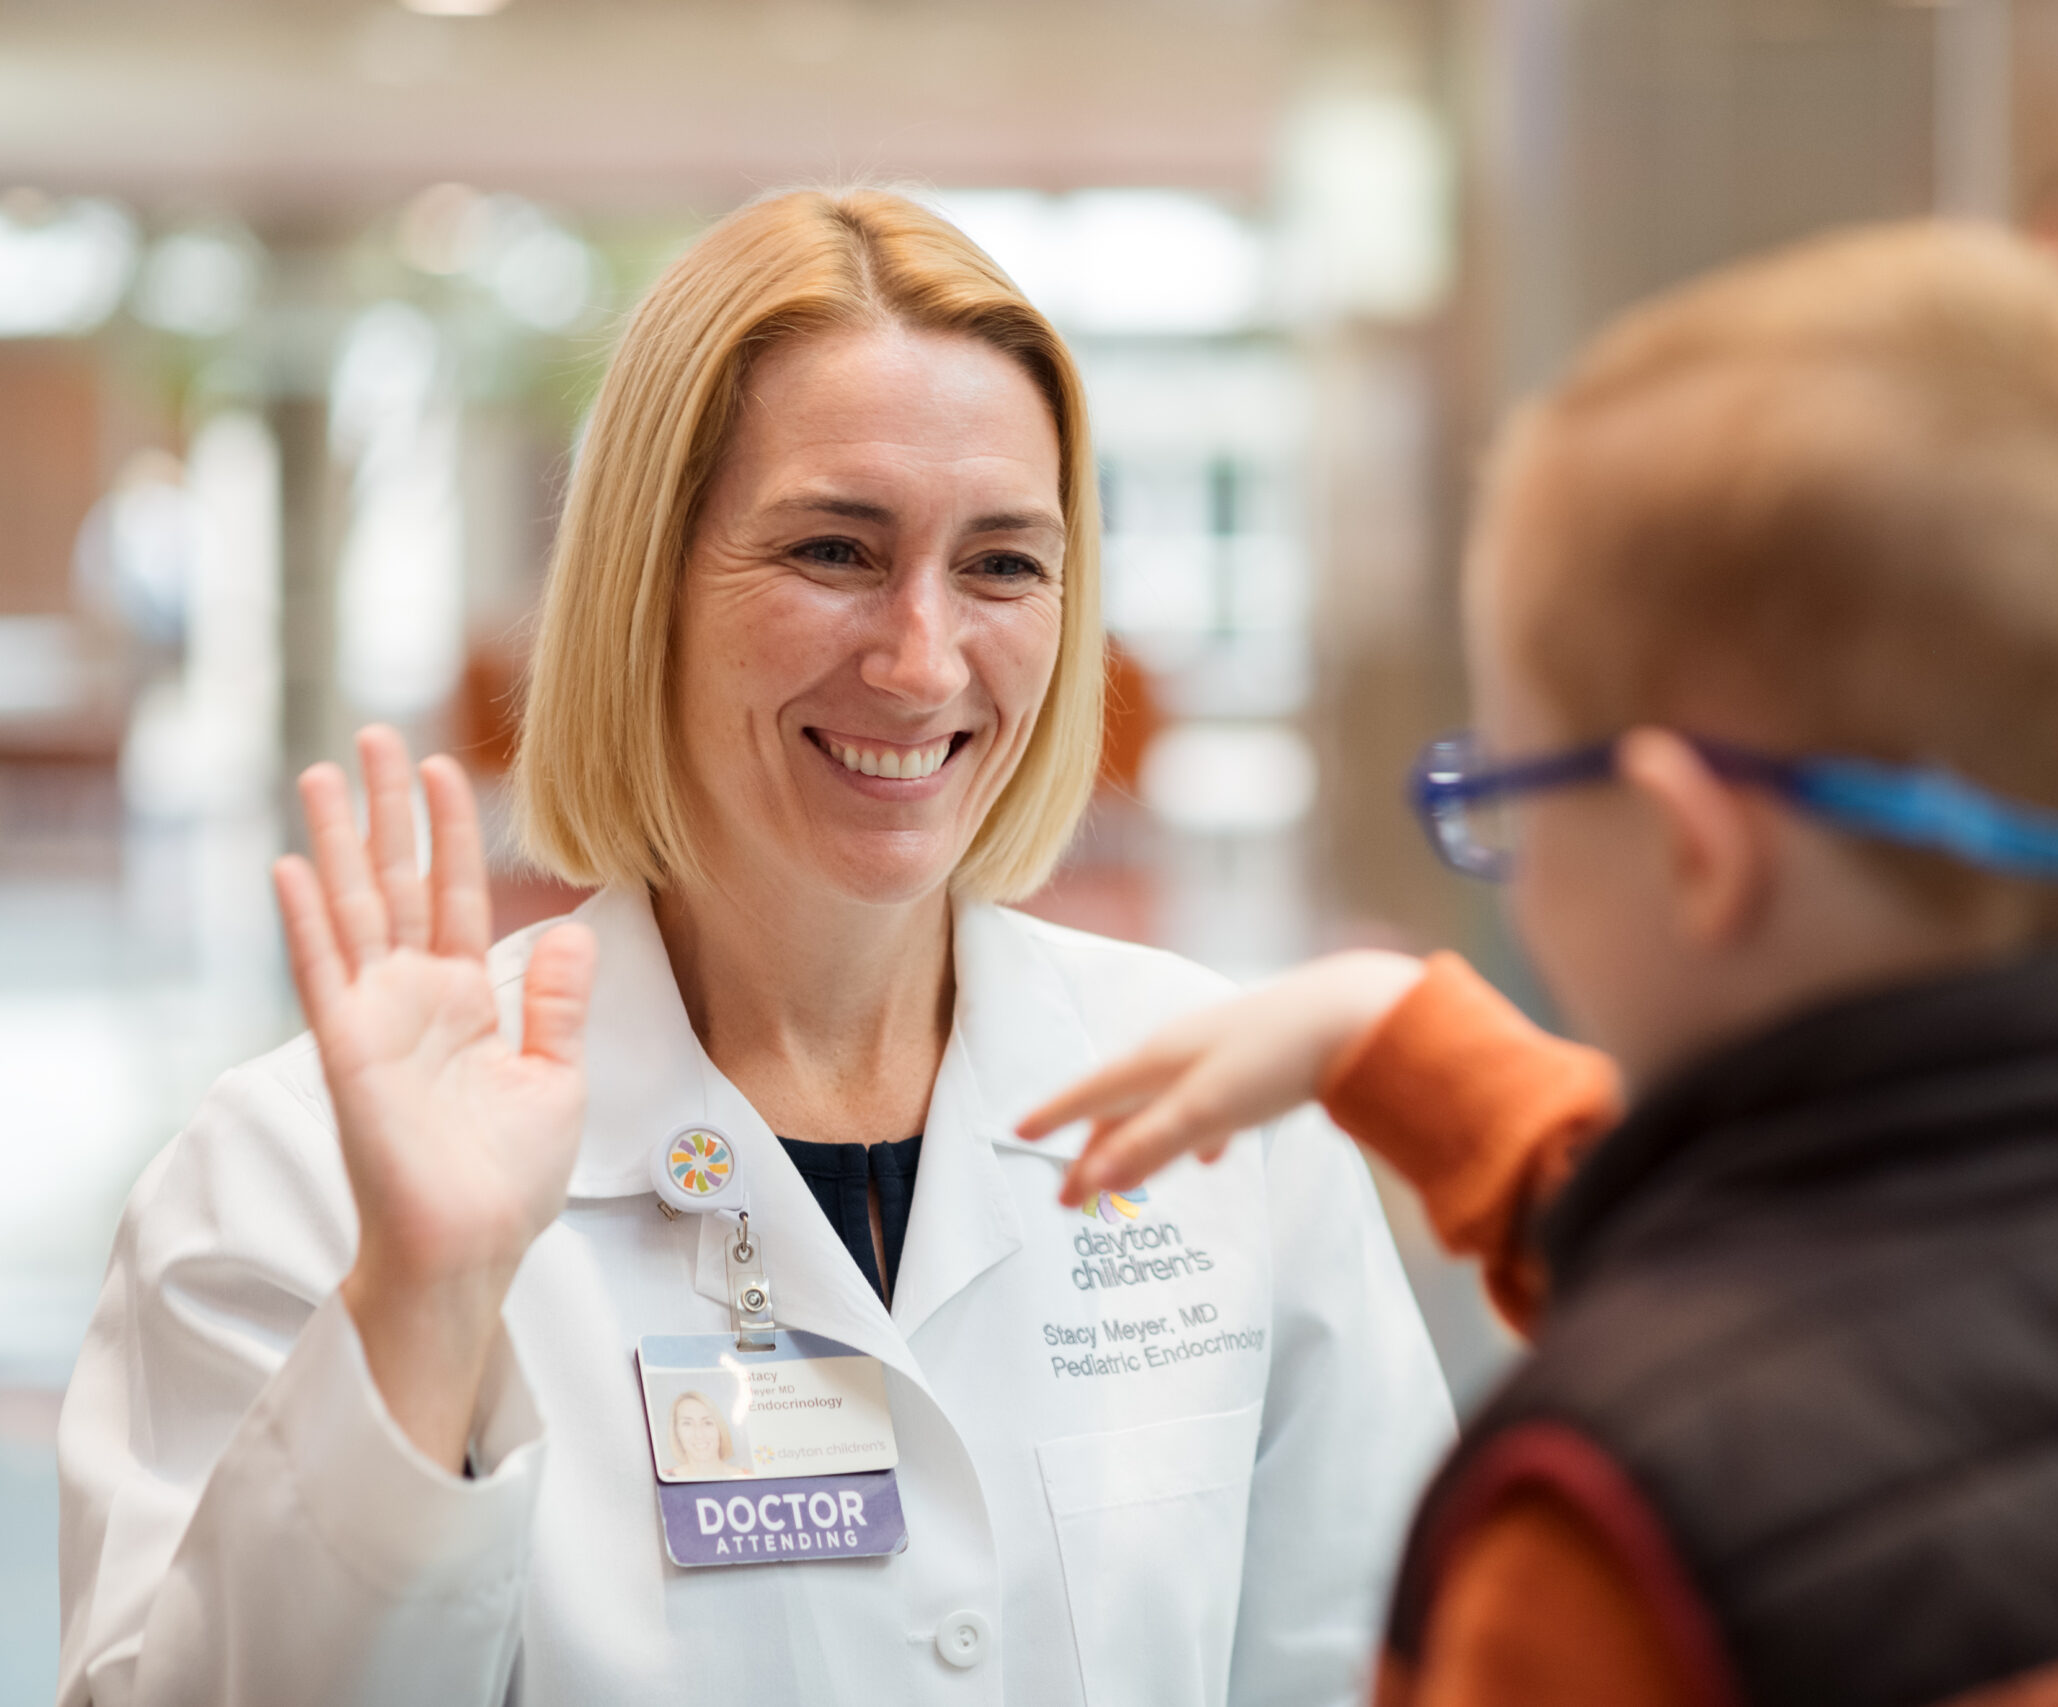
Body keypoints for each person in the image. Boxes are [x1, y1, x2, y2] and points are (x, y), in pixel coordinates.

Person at [1023, 223, 2058, 1706]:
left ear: (1692, 844)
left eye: (1506, 794)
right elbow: (1856, 1248)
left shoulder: (1611, 1537)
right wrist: (1396, 1035)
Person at [55, 189, 1453, 1707]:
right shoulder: (300, 1173)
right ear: (646, 588)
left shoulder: (1231, 1121)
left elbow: (1394, 1661)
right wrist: (419, 1306)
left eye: (1002, 564)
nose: (922, 660)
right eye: (836, 548)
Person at [664, 1392, 752, 1479]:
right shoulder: (665, 1477)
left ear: (720, 1429)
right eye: (687, 1424)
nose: (699, 1434)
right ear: (676, 1432)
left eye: (707, 1423)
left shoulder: (749, 1477)